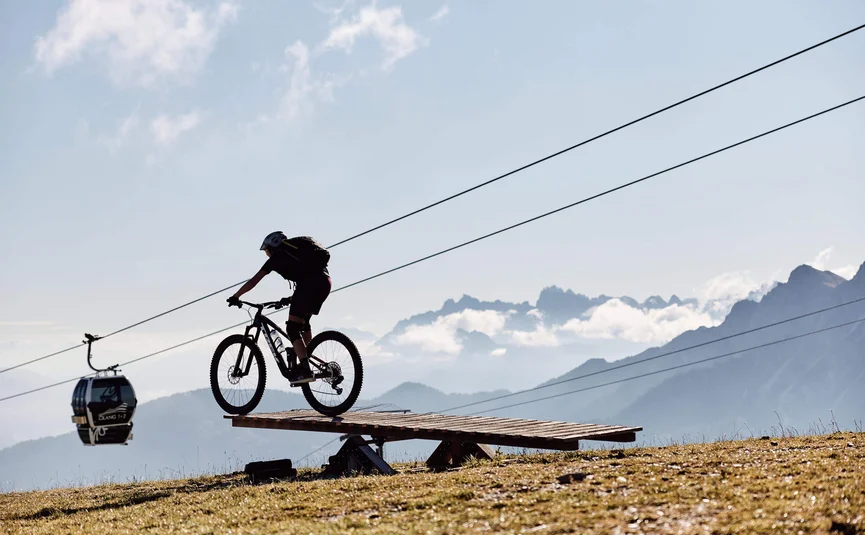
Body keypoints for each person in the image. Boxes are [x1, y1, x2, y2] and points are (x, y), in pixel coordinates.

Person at [227, 231, 332, 385]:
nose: (267, 254)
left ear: (273, 247)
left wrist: (236, 296)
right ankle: (307, 358)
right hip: (325, 283)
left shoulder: (277, 257)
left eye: (267, 250)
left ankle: (305, 367)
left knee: (292, 328)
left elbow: (254, 281)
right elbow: (309, 281)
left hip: (309, 285)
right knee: (303, 323)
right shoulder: (297, 252)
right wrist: (289, 299)